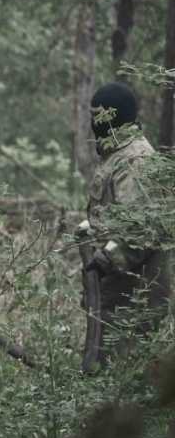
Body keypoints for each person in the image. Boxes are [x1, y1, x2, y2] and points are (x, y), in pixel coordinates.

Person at [80, 81, 170, 361]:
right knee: (104, 361)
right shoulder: (118, 154)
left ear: (112, 116)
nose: (93, 123)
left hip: (133, 289)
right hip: (116, 285)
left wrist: (106, 259)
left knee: (125, 369)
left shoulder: (135, 160)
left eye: (98, 115)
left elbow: (142, 227)